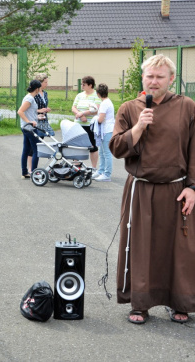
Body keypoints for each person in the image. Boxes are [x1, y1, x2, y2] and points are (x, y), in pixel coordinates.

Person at [109, 54, 195, 325]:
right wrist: (138, 128)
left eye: (160, 76)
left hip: (176, 190)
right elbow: (116, 147)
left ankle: (179, 302)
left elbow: (194, 150)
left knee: (179, 249)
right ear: (143, 78)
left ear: (171, 79)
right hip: (141, 189)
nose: (154, 81)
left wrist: (192, 186)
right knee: (140, 247)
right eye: (150, 76)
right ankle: (140, 304)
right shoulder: (129, 108)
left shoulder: (187, 107)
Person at [25, 73, 53, 173]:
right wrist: (39, 111)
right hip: (35, 120)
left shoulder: (45, 93)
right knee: (33, 146)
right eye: (45, 82)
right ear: (40, 83)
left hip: (43, 120)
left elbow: (43, 105)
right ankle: (30, 168)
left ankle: (34, 167)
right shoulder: (33, 95)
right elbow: (29, 109)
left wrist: (45, 109)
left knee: (40, 145)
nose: (47, 84)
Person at [72, 76, 101, 168]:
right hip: (78, 123)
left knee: (92, 146)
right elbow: (74, 107)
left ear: (90, 85)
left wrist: (83, 113)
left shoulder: (96, 95)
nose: (82, 86)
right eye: (82, 84)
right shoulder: (79, 95)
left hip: (90, 125)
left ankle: (93, 167)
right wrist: (79, 114)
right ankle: (76, 166)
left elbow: (96, 109)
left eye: (84, 84)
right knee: (76, 146)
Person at [18, 80, 41, 178]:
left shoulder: (30, 97)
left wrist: (36, 118)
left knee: (26, 149)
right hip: (29, 128)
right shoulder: (30, 99)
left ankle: (25, 172)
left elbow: (29, 112)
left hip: (27, 127)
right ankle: (35, 173)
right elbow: (20, 111)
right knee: (37, 150)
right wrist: (29, 121)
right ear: (37, 89)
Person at [92, 83, 115, 182]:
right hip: (106, 130)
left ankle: (107, 174)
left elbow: (100, 119)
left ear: (98, 94)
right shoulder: (106, 102)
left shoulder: (105, 103)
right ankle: (101, 170)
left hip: (106, 130)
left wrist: (94, 118)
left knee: (106, 152)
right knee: (102, 152)